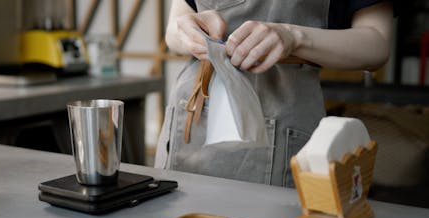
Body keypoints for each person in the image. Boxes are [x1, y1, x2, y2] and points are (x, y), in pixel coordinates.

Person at [155, 0, 394, 187]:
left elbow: (376, 43)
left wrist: (294, 37)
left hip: (283, 122)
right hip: (191, 117)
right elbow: (173, 33)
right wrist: (188, 32)